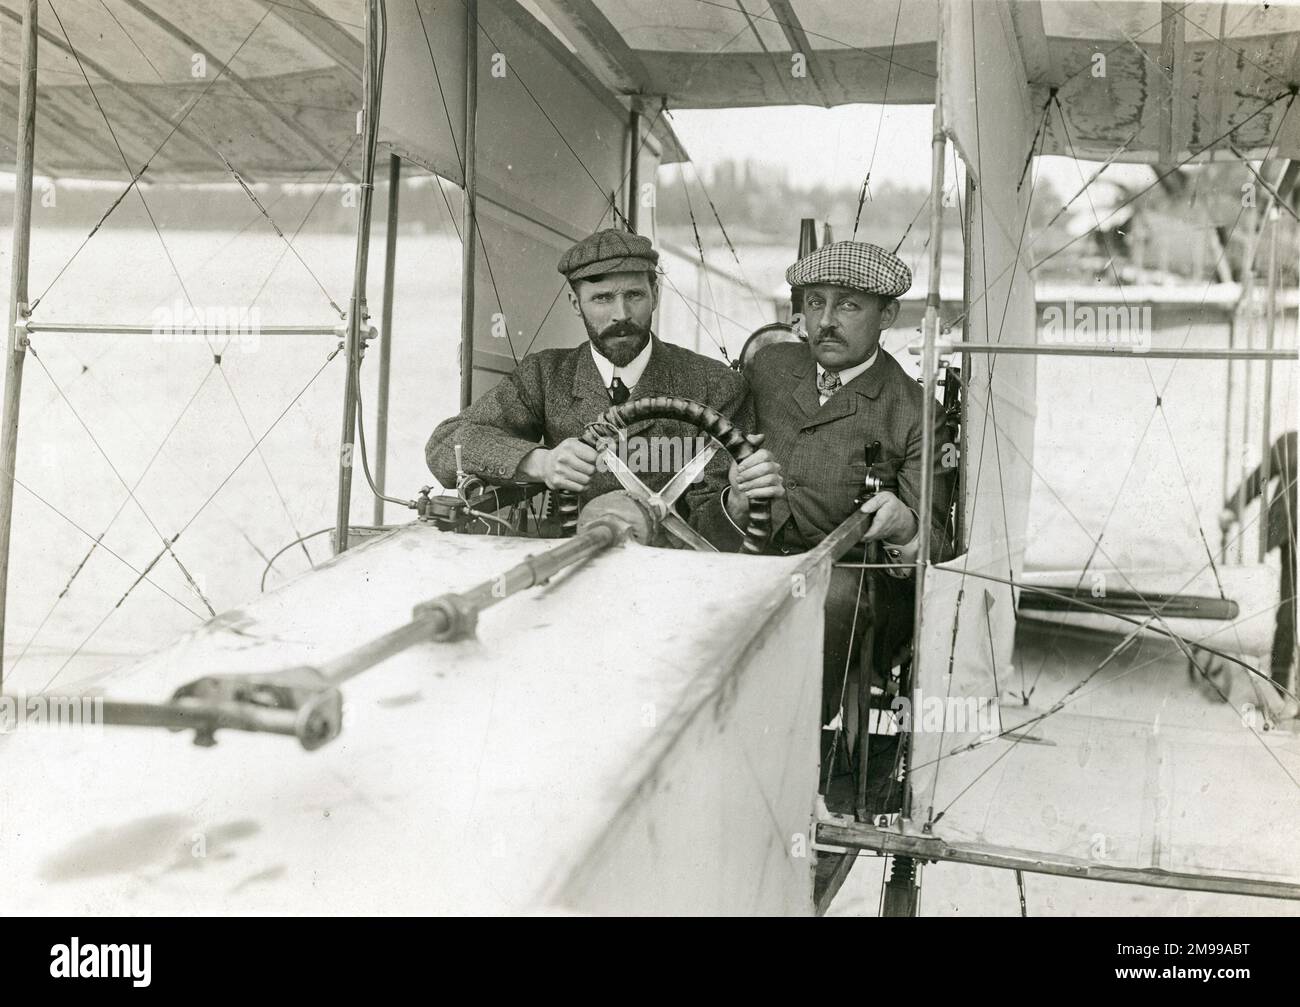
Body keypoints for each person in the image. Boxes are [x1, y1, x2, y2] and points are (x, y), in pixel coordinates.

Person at [709, 240, 957, 798]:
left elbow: (934, 542)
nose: (824, 321)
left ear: (887, 315)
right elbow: (714, 463)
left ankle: (783, 744)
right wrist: (733, 495)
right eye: (815, 302)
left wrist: (902, 524)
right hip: (750, 554)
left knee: (829, 600)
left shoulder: (913, 411)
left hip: (845, 582)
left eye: (848, 306)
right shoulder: (771, 368)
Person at [425, 229, 783, 544]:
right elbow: (446, 445)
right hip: (574, 564)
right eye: (602, 298)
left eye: (634, 295)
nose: (621, 314)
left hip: (675, 579)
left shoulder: (716, 385)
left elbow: (717, 537)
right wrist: (542, 462)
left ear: (655, 295)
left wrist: (736, 501)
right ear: (575, 304)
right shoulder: (546, 375)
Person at [1221, 429, 1296, 696]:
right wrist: (1233, 507)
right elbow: (1259, 477)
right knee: (1288, 617)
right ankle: (1278, 689)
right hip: (1294, 545)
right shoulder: (1290, 444)